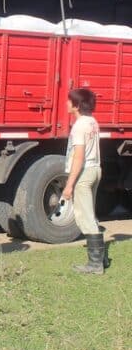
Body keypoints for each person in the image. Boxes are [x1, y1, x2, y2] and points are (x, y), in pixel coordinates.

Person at [61, 88, 105, 274]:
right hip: (95, 169)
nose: (67, 104)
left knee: (86, 217)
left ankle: (95, 265)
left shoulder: (79, 126)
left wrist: (69, 185)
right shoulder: (92, 122)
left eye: (69, 101)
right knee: (91, 214)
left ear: (77, 105)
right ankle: (102, 259)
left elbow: (78, 157)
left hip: (84, 173)